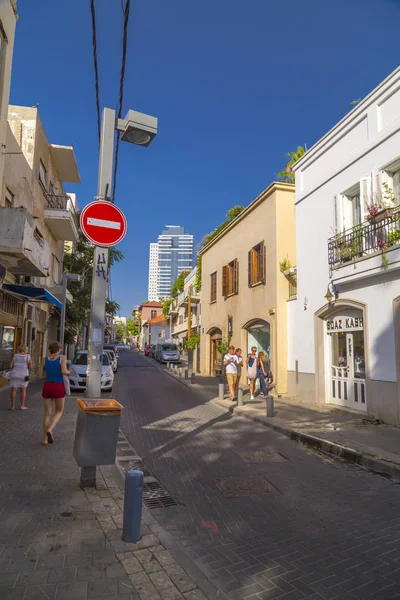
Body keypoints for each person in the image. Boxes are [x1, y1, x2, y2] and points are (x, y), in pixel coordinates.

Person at [40, 341, 70, 446]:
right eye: (60, 348)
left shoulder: (44, 359)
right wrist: (69, 372)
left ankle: (44, 439)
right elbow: (63, 371)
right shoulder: (62, 358)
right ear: (58, 349)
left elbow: (41, 376)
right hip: (58, 386)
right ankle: (51, 429)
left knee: (47, 413)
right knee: (59, 410)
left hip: (47, 385)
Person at [9, 344, 32, 411]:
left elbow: (10, 366)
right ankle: (22, 406)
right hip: (24, 375)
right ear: (26, 349)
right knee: (23, 390)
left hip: (14, 374)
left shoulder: (15, 355)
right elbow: (30, 366)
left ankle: (12, 406)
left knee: (13, 390)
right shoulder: (28, 356)